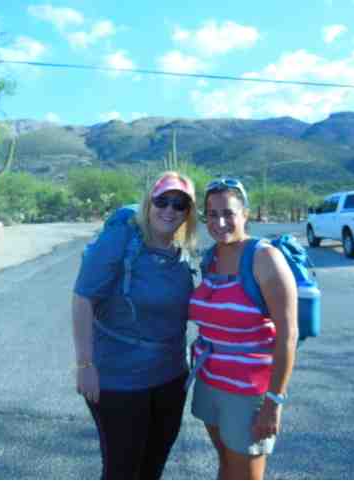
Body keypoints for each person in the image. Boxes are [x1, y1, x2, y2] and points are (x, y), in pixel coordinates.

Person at [72, 171, 198, 479]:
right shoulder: (121, 241)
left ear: (188, 213)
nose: (169, 209)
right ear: (148, 203)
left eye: (179, 204)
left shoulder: (183, 254)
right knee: (123, 470)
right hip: (120, 381)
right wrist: (85, 364)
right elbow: (83, 297)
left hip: (171, 379)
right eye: (162, 201)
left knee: (152, 467)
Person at [188, 177, 298, 480]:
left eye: (228, 213)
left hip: (249, 391)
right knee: (226, 463)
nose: (220, 222)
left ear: (245, 214)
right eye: (212, 214)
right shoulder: (211, 257)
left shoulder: (264, 258)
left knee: (245, 474)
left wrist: (274, 401)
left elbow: (288, 336)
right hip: (210, 381)